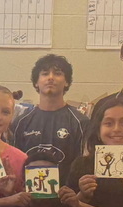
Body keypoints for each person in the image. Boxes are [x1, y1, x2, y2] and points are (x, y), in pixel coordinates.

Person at [11, 54, 88, 182]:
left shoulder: (80, 122)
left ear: (66, 82)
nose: (51, 78)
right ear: (36, 82)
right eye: (45, 73)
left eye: (57, 73)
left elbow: (82, 167)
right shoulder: (20, 122)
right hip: (28, 198)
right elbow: (15, 165)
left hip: (65, 198)